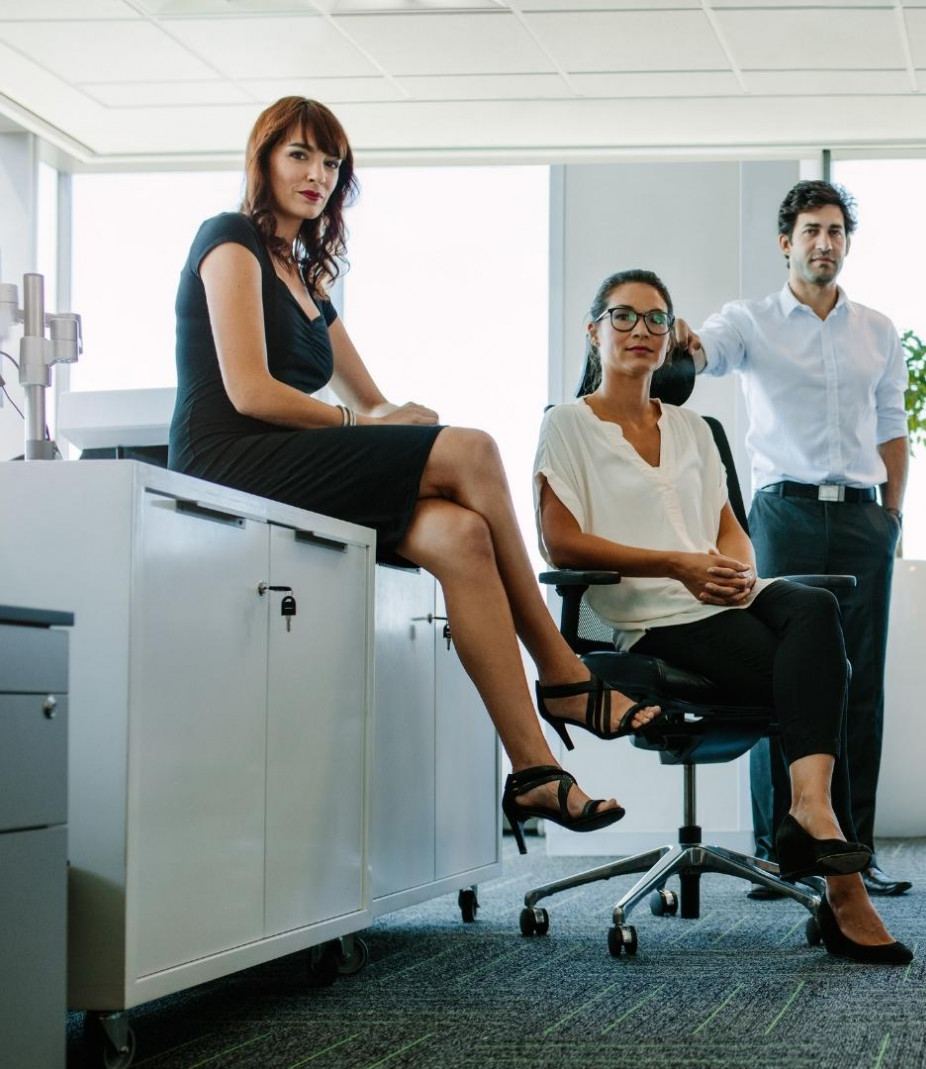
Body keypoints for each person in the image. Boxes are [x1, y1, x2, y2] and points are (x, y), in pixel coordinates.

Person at [168, 97, 648, 849]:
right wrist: (379, 428)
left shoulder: (307, 280)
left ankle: (532, 769)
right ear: (262, 160)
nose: (317, 176)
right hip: (231, 456)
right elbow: (250, 392)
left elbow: (369, 398)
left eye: (331, 164)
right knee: (476, 449)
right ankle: (562, 670)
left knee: (460, 535)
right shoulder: (227, 239)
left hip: (293, 460)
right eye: (300, 156)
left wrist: (403, 417)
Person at [532, 269, 911, 964]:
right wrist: (677, 566)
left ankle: (811, 812)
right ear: (593, 331)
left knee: (816, 607)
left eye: (656, 320)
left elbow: (729, 526)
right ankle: (840, 876)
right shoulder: (568, 425)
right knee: (822, 673)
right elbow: (561, 542)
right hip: (646, 609)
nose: (641, 331)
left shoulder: (694, 427)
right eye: (623, 317)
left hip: (717, 595)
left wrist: (735, 571)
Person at [669, 181, 912, 897]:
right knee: (785, 679)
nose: (823, 243)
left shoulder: (878, 329)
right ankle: (783, 854)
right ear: (786, 241)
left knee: (860, 686)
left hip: (864, 518)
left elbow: (894, 429)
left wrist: (891, 517)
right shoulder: (751, 319)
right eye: (810, 230)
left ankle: (852, 851)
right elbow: (707, 352)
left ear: (846, 242)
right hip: (784, 516)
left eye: (835, 231)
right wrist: (681, 338)